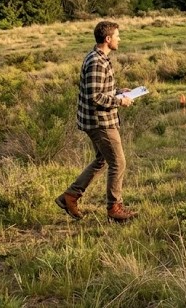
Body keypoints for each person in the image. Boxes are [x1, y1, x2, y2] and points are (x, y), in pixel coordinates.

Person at [56, 20, 138, 222]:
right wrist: (119, 101)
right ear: (108, 39)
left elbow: (101, 89)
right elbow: (95, 97)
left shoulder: (100, 58)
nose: (120, 39)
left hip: (100, 120)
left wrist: (119, 91)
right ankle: (114, 208)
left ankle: (71, 196)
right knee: (118, 162)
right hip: (100, 122)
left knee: (102, 160)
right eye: (117, 36)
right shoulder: (96, 62)